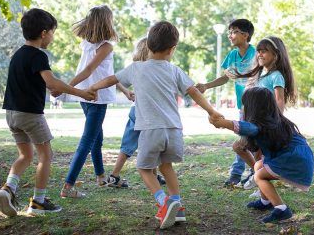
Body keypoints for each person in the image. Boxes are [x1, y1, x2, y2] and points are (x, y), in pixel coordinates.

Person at [87, 21, 222, 229]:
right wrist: (212, 111)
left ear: (148, 45)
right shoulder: (175, 70)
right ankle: (179, 206)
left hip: (150, 130)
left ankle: (164, 202)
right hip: (174, 130)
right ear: (172, 49)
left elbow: (112, 79)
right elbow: (194, 91)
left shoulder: (136, 68)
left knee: (144, 168)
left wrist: (94, 86)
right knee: (165, 166)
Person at [0, 8, 95, 216]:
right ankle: (38, 202)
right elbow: (51, 82)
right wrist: (81, 92)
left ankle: (8, 189)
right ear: (43, 33)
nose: (53, 36)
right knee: (45, 156)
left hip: (12, 114)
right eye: (52, 31)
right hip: (30, 115)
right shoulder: (38, 56)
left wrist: (56, 88)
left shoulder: (18, 55)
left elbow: (42, 84)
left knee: (25, 154)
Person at [209, 87, 314, 223]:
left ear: (254, 107)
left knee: (259, 176)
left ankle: (282, 210)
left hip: (293, 160)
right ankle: (266, 201)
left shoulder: (262, 125)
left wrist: (224, 123)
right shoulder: (274, 121)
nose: (243, 108)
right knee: (258, 166)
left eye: (245, 105)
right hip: (297, 158)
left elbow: (248, 128)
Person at [60, 5, 132, 198]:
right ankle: (68, 186)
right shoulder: (105, 46)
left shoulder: (87, 43)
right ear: (107, 22)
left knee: (97, 138)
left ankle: (101, 177)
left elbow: (107, 73)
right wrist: (65, 86)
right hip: (95, 97)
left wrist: (124, 90)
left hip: (86, 95)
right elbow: (89, 70)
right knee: (88, 140)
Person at [227, 36, 297, 192]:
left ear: (275, 55)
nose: (259, 54)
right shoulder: (258, 75)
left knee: (259, 155)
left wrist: (276, 122)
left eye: (264, 51)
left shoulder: (276, 76)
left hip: (266, 124)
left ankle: (261, 186)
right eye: (258, 51)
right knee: (240, 147)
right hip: (253, 122)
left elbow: (279, 100)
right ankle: (256, 174)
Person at [196, 19, 256, 187]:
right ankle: (251, 171)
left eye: (234, 32)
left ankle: (239, 173)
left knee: (245, 139)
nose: (230, 35)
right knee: (245, 138)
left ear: (245, 35)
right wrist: (206, 86)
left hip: (258, 105)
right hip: (242, 105)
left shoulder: (256, 53)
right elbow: (225, 77)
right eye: (229, 32)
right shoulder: (232, 55)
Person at [106, 37, 166, 188]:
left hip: (136, 110)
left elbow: (115, 78)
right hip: (148, 113)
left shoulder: (136, 68)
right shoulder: (157, 69)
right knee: (152, 144)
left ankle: (114, 175)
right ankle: (153, 175)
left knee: (127, 145)